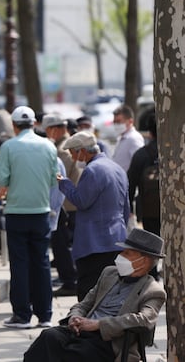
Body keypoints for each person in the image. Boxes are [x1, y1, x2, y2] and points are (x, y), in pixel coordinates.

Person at [23, 228, 166, 362]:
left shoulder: (152, 290)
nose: (121, 256)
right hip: (82, 331)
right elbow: (85, 304)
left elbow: (144, 320)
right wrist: (75, 317)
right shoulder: (109, 274)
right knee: (48, 336)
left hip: (108, 342)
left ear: (144, 261)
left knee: (73, 354)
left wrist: (98, 325)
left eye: (127, 253)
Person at [0, 106, 59, 329]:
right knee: (42, 263)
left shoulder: (9, 146)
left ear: (14, 125)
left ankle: (22, 315)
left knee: (19, 264)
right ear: (34, 124)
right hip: (41, 211)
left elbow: (1, 178)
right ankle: (45, 314)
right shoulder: (48, 146)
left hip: (16, 212)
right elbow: (53, 179)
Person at [58, 131, 129, 301]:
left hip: (95, 242)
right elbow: (126, 207)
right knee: (111, 290)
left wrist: (65, 184)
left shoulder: (92, 170)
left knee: (88, 291)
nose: (73, 158)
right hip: (116, 237)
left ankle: (88, 319)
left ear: (82, 151)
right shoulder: (117, 168)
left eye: (73, 153)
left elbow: (82, 201)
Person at [42, 113, 80, 297]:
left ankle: (69, 280)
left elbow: (58, 179)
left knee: (61, 245)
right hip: (67, 203)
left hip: (65, 205)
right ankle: (69, 278)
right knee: (62, 244)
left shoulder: (62, 150)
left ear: (54, 129)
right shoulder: (62, 146)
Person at [127, 113, 160, 278]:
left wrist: (129, 209)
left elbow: (130, 184)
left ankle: (153, 277)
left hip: (149, 209)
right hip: (178, 210)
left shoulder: (142, 154)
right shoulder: (178, 151)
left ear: (150, 132)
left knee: (151, 247)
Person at [112, 105, 145, 172]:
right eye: (114, 122)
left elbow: (140, 163)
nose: (116, 125)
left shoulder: (134, 138)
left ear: (130, 121)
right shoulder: (121, 138)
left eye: (119, 122)